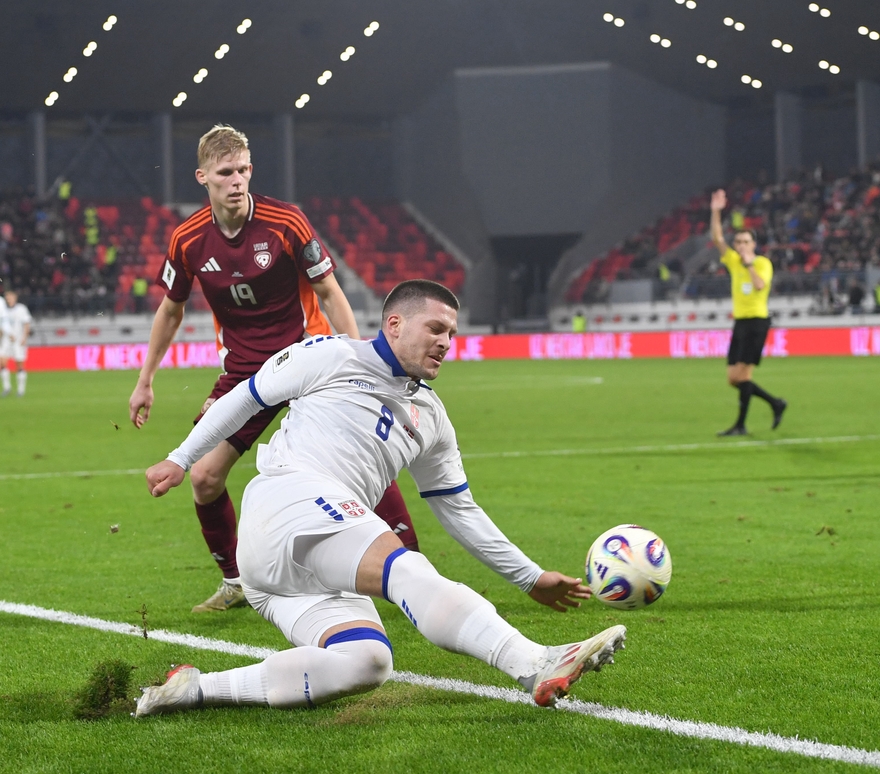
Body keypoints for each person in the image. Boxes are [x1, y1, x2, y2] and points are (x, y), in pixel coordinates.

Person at [135, 280, 625, 716]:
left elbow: (459, 510)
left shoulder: (431, 417)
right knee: (405, 566)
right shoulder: (331, 355)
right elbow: (246, 397)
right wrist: (181, 458)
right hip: (287, 499)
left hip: (291, 570)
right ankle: (534, 662)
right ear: (394, 323)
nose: (445, 344)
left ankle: (195, 690)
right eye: (434, 329)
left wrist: (530, 578)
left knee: (366, 662)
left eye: (451, 335)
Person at [128, 124, 419, 614]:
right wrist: (145, 380)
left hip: (309, 361)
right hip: (245, 372)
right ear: (203, 177)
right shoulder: (188, 239)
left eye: (243, 169)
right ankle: (235, 582)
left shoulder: (287, 222)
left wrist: (357, 361)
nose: (237, 180)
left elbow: (329, 291)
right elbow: (171, 310)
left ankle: (411, 567)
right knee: (203, 477)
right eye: (225, 172)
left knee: (353, 457)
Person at [709, 189, 786, 436]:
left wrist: (749, 264)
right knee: (733, 377)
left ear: (753, 245)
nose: (741, 246)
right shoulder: (732, 261)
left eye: (745, 242)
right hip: (740, 322)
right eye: (738, 242)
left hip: (757, 322)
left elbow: (760, 285)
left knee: (744, 375)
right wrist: (715, 211)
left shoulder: (762, 263)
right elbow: (717, 238)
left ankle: (741, 425)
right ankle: (775, 403)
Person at [1, 288, 32, 397]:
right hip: (6, 340)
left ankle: (20, 390)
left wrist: (24, 337)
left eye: (10, 297)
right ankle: (7, 387)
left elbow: (27, 323)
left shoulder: (21, 309)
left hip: (18, 341)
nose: (8, 299)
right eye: (7, 297)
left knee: (19, 365)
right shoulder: (3, 310)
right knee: (2, 363)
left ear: (15, 297)